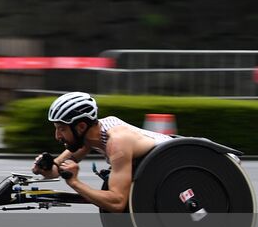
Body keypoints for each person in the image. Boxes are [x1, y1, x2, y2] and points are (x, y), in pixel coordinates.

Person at [31, 90, 169, 212]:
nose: (57, 136)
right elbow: (58, 169)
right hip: (159, 170)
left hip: (175, 163)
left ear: (81, 126)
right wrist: (45, 168)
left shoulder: (117, 142)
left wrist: (74, 182)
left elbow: (117, 203)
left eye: (62, 129)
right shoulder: (90, 136)